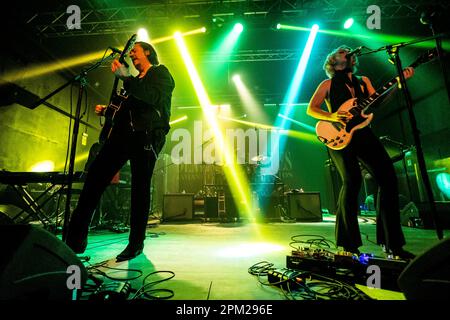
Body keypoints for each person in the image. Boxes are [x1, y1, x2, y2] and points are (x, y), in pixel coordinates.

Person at [66, 41, 175, 261]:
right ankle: (75, 239)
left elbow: (152, 98)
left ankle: (136, 243)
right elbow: (127, 108)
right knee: (94, 180)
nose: (132, 53)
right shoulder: (133, 82)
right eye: (131, 50)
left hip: (146, 135)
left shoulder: (161, 73)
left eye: (136, 50)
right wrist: (107, 111)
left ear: (148, 52)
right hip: (121, 136)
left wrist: (126, 77)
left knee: (140, 189)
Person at [306, 45, 415, 260]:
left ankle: (392, 244)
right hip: (339, 136)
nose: (348, 52)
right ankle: (348, 244)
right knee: (352, 181)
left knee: (388, 179)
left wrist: (399, 84)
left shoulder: (363, 81)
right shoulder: (327, 84)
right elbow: (312, 108)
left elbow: (379, 101)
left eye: (349, 51)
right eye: (342, 51)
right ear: (333, 61)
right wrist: (334, 116)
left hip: (363, 133)